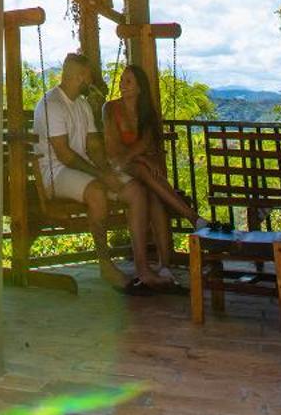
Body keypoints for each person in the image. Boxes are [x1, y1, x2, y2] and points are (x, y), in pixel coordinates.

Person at [32, 50, 153, 291]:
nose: (91, 82)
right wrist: (101, 176)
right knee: (97, 191)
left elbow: (94, 146)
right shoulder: (51, 104)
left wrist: (107, 170)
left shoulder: (83, 104)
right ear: (77, 77)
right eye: (88, 77)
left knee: (134, 190)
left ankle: (143, 267)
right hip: (55, 173)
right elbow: (64, 155)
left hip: (81, 170)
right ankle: (105, 264)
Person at [102, 62, 201, 287]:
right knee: (144, 172)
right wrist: (143, 158)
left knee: (155, 197)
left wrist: (143, 157)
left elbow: (146, 144)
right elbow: (114, 148)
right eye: (122, 81)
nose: (122, 85)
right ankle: (192, 217)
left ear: (139, 88)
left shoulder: (146, 113)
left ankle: (164, 266)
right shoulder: (110, 109)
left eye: (128, 81)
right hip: (118, 166)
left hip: (139, 169)